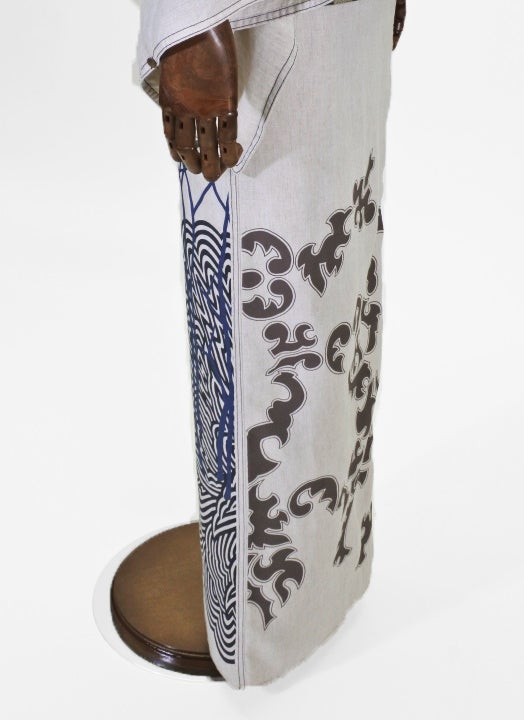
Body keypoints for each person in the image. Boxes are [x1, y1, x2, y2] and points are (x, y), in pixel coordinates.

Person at [132, 0, 406, 690]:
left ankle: (323, 582)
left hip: (342, 29)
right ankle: (258, 624)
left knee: (340, 294)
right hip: (250, 32)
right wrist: (183, 23)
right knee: (264, 317)